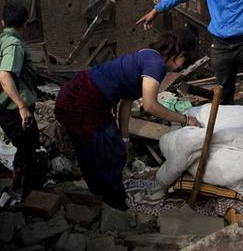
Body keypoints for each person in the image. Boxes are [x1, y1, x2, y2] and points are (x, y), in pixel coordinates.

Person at [54, 28, 199, 210]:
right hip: (80, 103)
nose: (181, 68)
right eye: (184, 63)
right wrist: (184, 119)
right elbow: (150, 105)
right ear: (180, 54)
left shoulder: (146, 55)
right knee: (107, 153)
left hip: (83, 98)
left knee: (103, 149)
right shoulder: (156, 65)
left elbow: (127, 101)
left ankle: (99, 198)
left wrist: (124, 137)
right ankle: (113, 204)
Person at [0, 3, 46, 193]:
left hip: (5, 109)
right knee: (32, 151)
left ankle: (16, 184)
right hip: (15, 112)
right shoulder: (14, 45)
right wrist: (21, 106)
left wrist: (0, 96)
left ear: (3, 21)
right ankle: (31, 195)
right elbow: (4, 76)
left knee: (24, 147)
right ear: (26, 23)